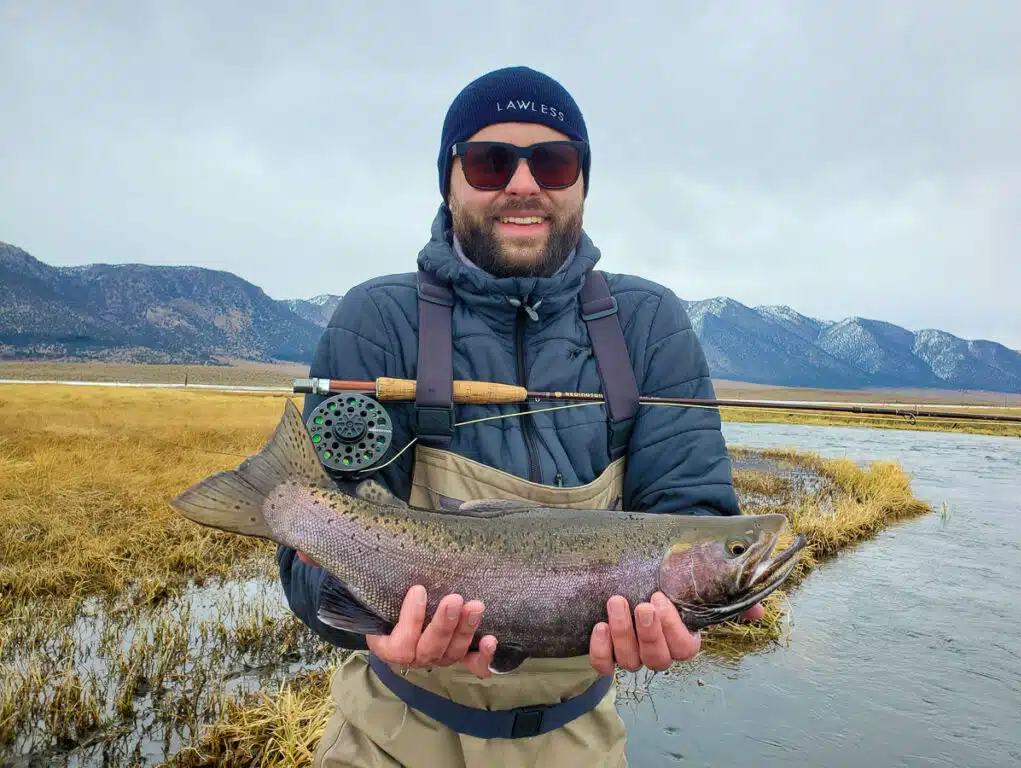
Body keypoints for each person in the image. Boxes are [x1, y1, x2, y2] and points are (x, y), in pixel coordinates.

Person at [277, 65, 761, 768]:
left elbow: (695, 510)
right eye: (490, 162)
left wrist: (688, 613)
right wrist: (365, 617)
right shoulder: (377, 318)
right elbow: (310, 557)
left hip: (578, 740)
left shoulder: (649, 324)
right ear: (448, 182)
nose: (523, 184)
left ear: (583, 183)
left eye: (554, 163)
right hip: (388, 734)